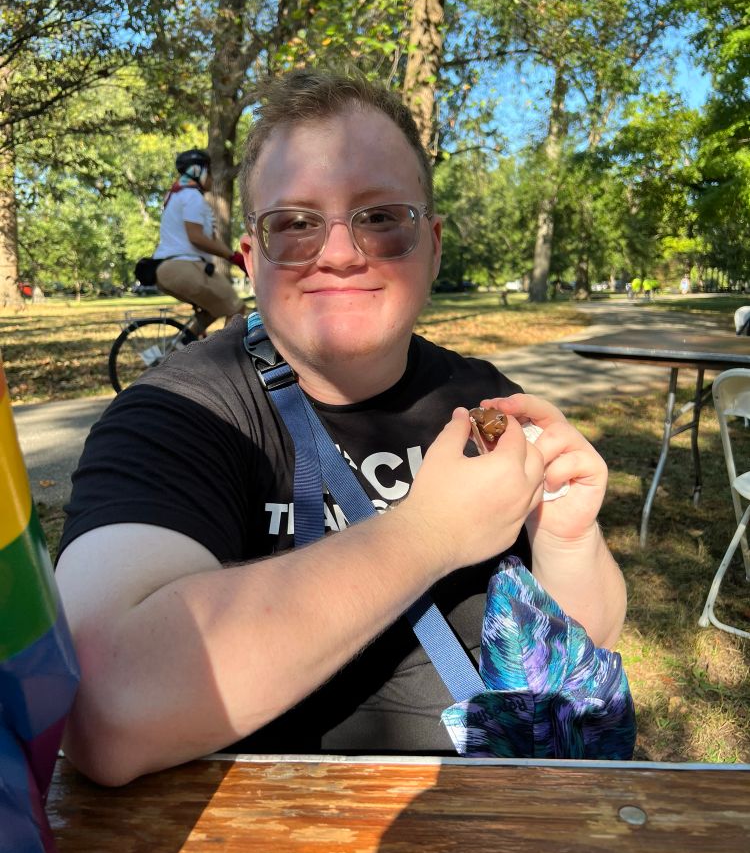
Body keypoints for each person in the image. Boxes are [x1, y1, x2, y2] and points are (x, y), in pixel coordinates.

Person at [55, 70, 626, 786]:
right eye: (294, 224)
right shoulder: (180, 416)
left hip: (493, 809)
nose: (340, 253)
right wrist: (428, 534)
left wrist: (568, 540)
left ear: (433, 246)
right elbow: (100, 709)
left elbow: (586, 644)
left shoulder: (485, 399)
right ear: (250, 259)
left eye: (381, 217)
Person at [153, 148, 246, 331]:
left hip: (165, 268)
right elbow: (196, 237)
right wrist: (234, 257)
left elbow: (209, 239)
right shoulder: (192, 197)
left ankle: (179, 346)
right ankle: (227, 351)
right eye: (209, 172)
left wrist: (236, 257)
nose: (212, 178)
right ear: (198, 171)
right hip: (183, 267)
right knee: (236, 308)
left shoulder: (176, 195)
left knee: (214, 309)